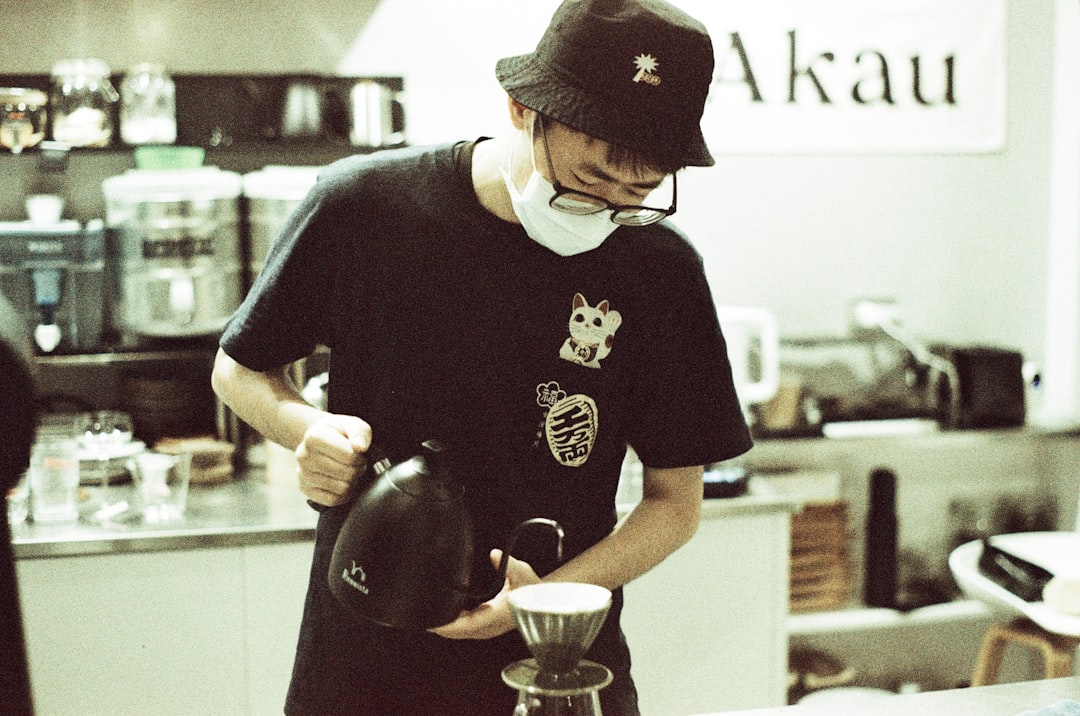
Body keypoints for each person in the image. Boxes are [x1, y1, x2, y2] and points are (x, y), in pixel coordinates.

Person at [211, 0, 751, 713]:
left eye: (640, 192)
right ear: (523, 110)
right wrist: (302, 430)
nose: (608, 207)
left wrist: (550, 600)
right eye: (589, 180)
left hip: (558, 655)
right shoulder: (364, 208)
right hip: (367, 654)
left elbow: (673, 506)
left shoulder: (662, 271)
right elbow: (239, 369)